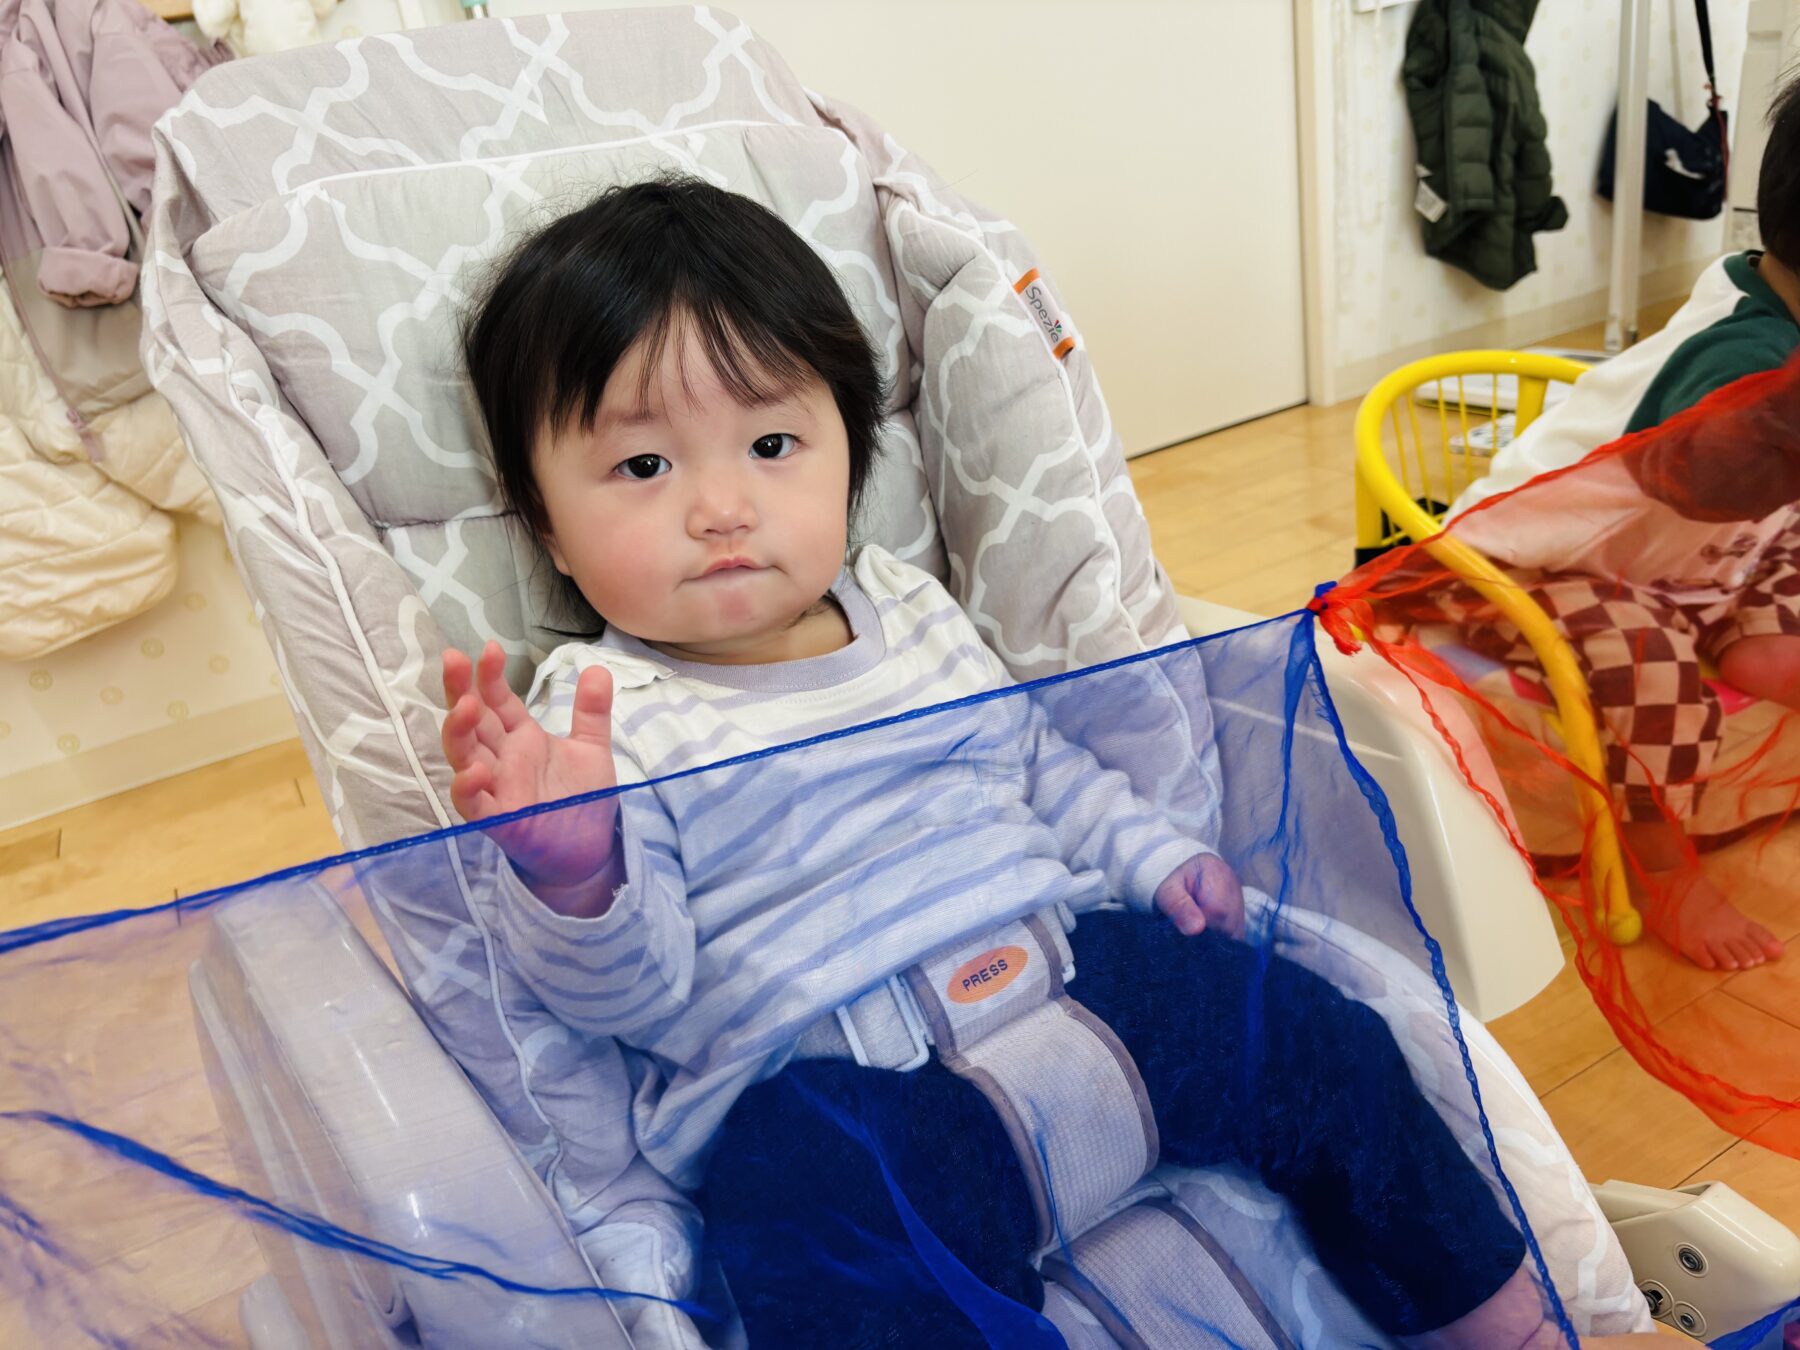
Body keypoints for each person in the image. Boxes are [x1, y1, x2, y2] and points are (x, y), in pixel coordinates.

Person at [445, 178, 1657, 1348]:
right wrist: (577, 878)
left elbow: (1038, 773)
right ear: (544, 519)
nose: (721, 508)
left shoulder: (908, 608)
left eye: (771, 443)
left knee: (1317, 1039)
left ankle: (1515, 1327)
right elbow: (638, 1001)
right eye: (644, 467)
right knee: (792, 1217)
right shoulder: (594, 723)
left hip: (1077, 975)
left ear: (849, 452)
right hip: (845, 1096)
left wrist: (1153, 855)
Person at [1446, 76, 1800, 973]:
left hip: (1689, 552)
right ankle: (1664, 871)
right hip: (1530, 562)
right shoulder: (1748, 356)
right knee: (1650, 670)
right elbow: (1698, 477)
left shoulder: (1773, 299)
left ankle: (1760, 647)